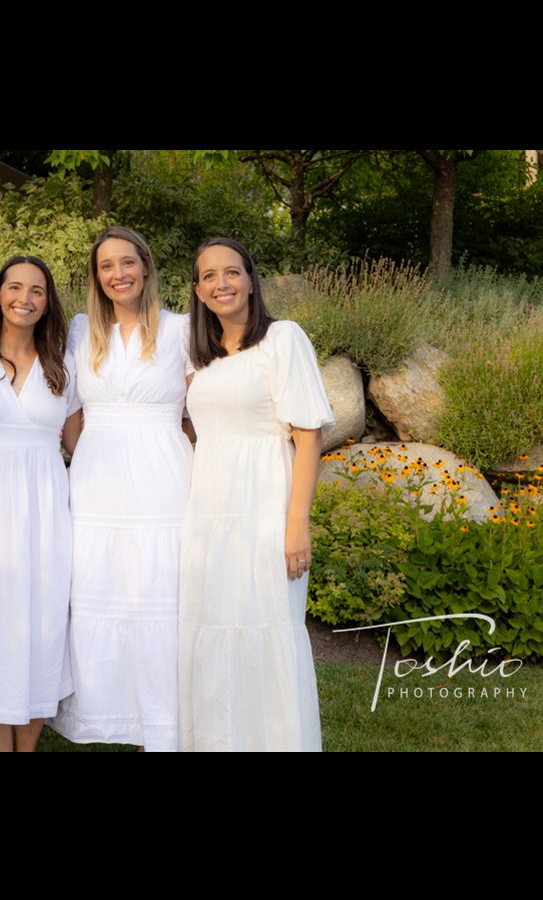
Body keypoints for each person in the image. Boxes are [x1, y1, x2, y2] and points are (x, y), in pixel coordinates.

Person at [179, 237, 334, 752]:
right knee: (212, 625)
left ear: (250, 280)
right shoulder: (199, 357)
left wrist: (297, 523)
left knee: (266, 624)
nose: (221, 283)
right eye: (209, 276)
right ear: (197, 291)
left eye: (232, 272)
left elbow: (308, 434)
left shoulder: (283, 339)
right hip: (209, 508)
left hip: (265, 503)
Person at [49, 225, 194, 752]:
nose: (118, 274)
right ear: (96, 276)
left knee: (160, 596)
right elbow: (69, 409)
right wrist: (88, 453)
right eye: (106, 266)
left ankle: (160, 730)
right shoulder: (83, 329)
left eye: (127, 262)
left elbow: (200, 409)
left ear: (146, 266)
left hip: (163, 482)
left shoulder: (181, 329)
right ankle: (111, 717)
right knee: (100, 589)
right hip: (97, 484)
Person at [0, 256, 80, 752]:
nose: (25, 298)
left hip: (47, 513)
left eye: (37, 291)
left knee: (45, 626)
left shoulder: (64, 367)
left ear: (48, 303)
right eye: (15, 287)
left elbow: (79, 444)